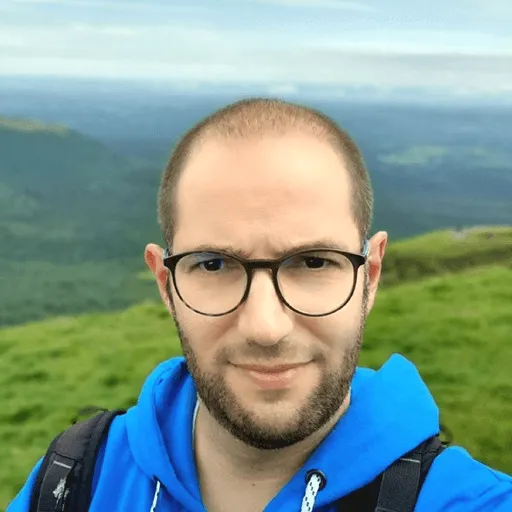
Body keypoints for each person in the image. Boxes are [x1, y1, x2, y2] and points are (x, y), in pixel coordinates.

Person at [8, 98, 512, 512]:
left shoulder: (470, 502)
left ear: (371, 275)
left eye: (313, 263)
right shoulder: (73, 479)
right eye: (213, 265)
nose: (266, 328)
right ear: (165, 283)